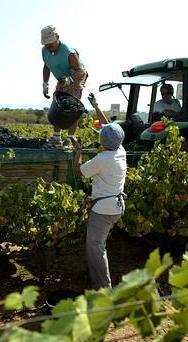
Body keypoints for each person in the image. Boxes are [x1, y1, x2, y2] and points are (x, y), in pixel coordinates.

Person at [74, 93, 127, 289]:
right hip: (117, 207)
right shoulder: (120, 151)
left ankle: (104, 290)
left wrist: (78, 151)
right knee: (99, 244)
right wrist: (95, 106)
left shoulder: (103, 159)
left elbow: (79, 172)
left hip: (103, 210)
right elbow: (108, 128)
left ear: (104, 142)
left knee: (96, 248)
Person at [41, 25, 88, 148]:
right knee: (58, 104)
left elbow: (81, 71)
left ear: (57, 37)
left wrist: (70, 79)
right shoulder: (44, 51)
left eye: (50, 43)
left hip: (75, 76)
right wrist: (45, 84)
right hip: (62, 78)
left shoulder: (68, 51)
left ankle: (70, 139)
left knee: (72, 107)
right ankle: (57, 137)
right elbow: (46, 66)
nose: (48, 46)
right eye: (46, 43)